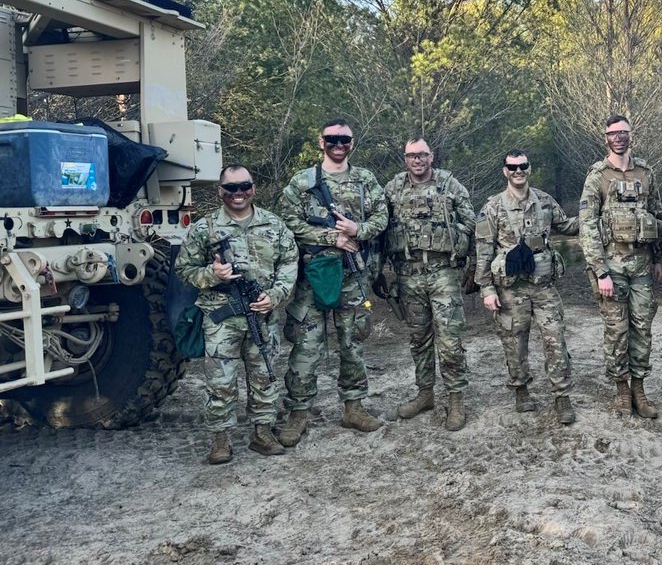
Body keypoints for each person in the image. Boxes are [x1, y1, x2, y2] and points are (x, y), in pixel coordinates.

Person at [277, 119, 388, 446]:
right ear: (321, 141)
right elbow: (287, 224)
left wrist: (358, 231)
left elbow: (382, 217)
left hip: (353, 274)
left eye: (345, 139)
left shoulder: (365, 180)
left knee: (352, 342)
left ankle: (353, 407)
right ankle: (298, 414)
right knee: (306, 347)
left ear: (352, 143)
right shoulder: (302, 182)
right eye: (332, 138)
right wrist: (330, 237)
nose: (339, 144)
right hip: (314, 275)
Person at [177, 164, 298, 465]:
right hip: (222, 317)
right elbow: (183, 270)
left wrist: (276, 296)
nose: (238, 193)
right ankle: (221, 440)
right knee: (220, 381)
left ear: (253, 188)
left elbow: (290, 263)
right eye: (231, 188)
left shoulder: (273, 225)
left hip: (262, 314)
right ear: (220, 192)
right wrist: (212, 274)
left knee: (264, 376)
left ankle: (262, 433)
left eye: (244, 186)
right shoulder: (205, 229)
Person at [475, 149, 579, 424]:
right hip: (511, 288)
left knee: (555, 340)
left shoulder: (544, 201)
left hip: (543, 287)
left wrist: (595, 217)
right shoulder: (493, 207)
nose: (518, 171)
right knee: (514, 344)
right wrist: (486, 289)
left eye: (523, 166)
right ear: (504, 170)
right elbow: (484, 250)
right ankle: (521, 390)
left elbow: (567, 225)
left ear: (529, 168)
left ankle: (561, 397)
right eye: (512, 167)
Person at [384, 137, 476, 431]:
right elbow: (379, 227)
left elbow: (471, 220)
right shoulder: (393, 188)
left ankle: (456, 398)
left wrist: (457, 242)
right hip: (408, 274)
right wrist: (382, 271)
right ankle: (425, 394)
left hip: (443, 272)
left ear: (431, 156)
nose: (417, 161)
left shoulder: (449, 183)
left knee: (450, 340)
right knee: (418, 339)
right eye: (412, 156)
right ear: (405, 159)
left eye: (422, 155)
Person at [579, 114, 662, 417]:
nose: (619, 137)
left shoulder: (646, 172)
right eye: (613, 133)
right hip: (612, 268)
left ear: (631, 135)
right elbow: (587, 226)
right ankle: (621, 389)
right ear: (606, 138)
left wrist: (659, 258)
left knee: (643, 327)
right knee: (617, 330)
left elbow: (657, 215)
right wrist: (600, 270)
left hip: (641, 264)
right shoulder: (597, 176)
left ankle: (640, 389)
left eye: (623, 132)